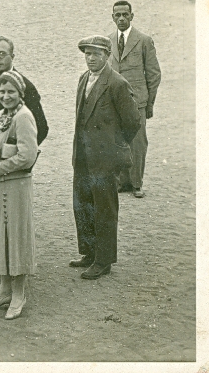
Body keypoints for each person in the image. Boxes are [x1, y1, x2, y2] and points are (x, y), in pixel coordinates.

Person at [71, 36, 141, 280]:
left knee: (104, 209)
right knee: (83, 204)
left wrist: (114, 146)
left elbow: (133, 122)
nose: (91, 58)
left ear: (107, 55)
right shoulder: (83, 79)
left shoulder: (117, 83)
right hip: (82, 156)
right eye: (87, 54)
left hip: (104, 159)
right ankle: (89, 253)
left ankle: (103, 260)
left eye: (96, 54)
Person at [0, 72, 38, 321]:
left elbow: (27, 156)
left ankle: (18, 294)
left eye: (11, 92)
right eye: (2, 92)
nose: (5, 96)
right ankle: (3, 290)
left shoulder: (23, 117)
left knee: (15, 238)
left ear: (20, 93)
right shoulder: (0, 115)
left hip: (14, 187)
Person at [107, 1, 161, 198]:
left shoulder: (144, 40)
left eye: (125, 14)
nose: (121, 18)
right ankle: (122, 182)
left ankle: (136, 183)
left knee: (137, 142)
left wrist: (149, 102)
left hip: (137, 100)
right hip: (114, 101)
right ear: (112, 17)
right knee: (117, 140)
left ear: (132, 16)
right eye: (117, 15)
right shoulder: (108, 40)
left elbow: (154, 74)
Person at [0, 36, 48, 145]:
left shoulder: (26, 86)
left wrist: (17, 152)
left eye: (2, 54)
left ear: (12, 56)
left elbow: (41, 128)